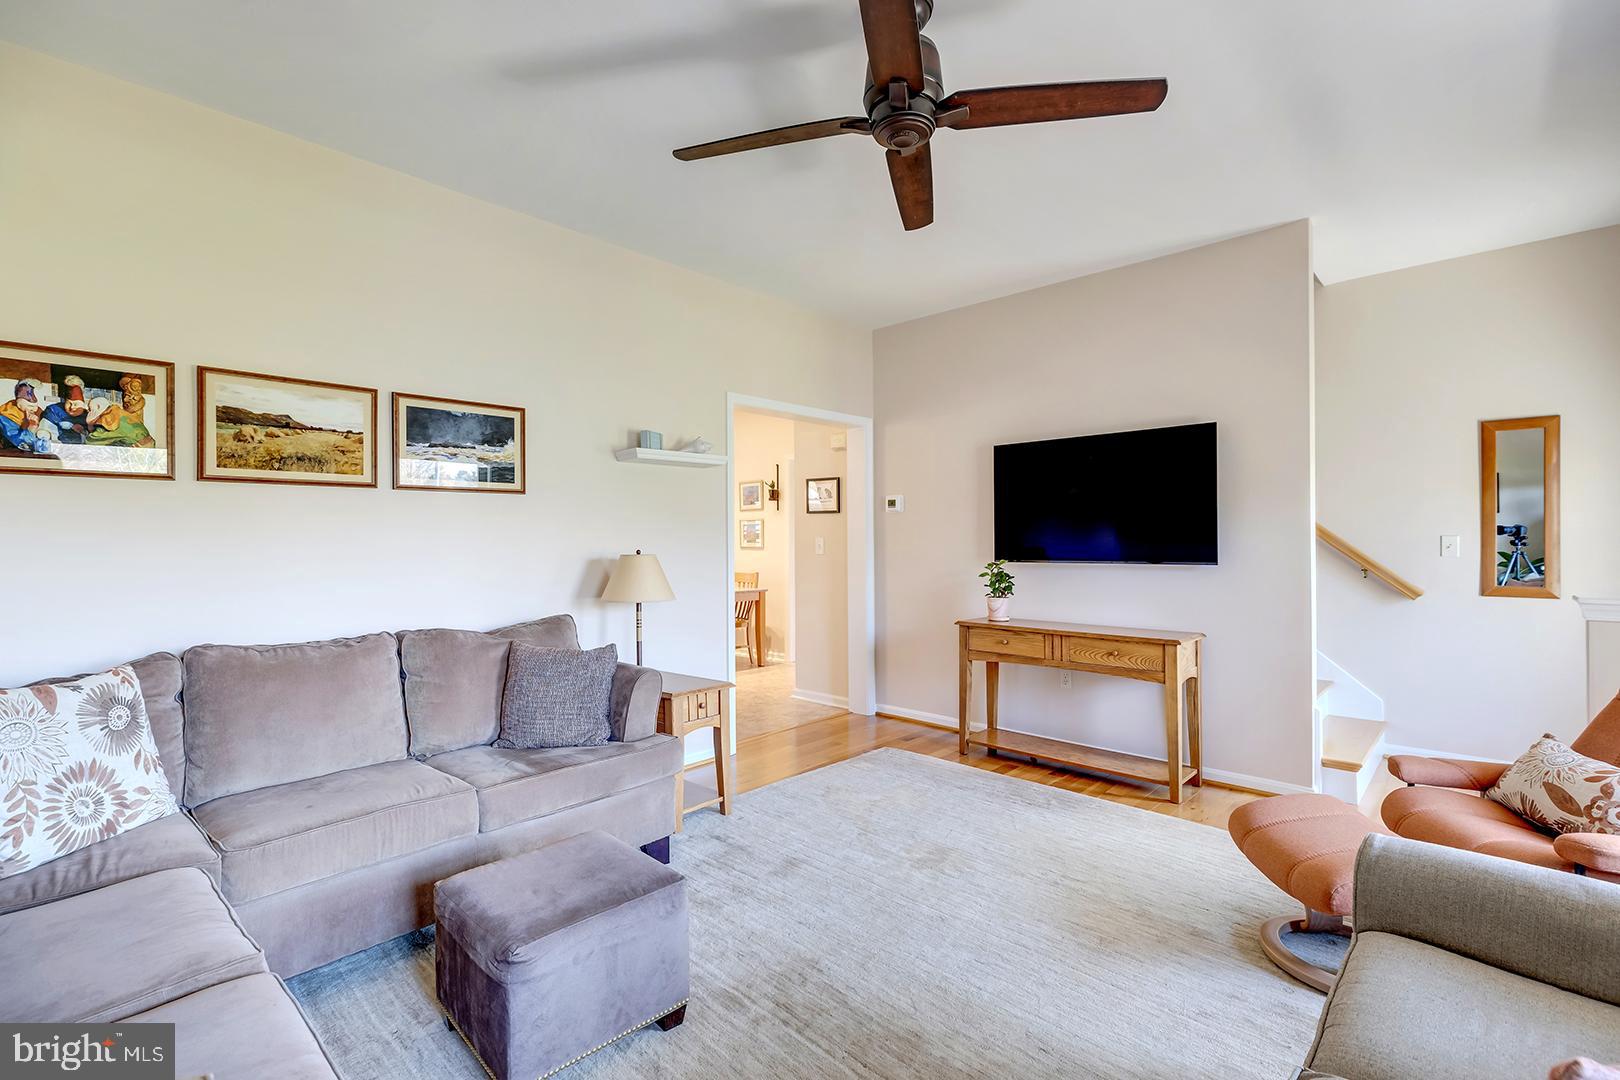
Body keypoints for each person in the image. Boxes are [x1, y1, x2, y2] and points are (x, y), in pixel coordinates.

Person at [0, 379, 51, 454]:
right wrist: (32, 427)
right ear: (19, 404)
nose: (35, 409)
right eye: (30, 406)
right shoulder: (6, 415)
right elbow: (22, 444)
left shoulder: (38, 412)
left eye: (35, 406)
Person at [41, 374, 91, 444]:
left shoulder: (89, 414)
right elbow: (45, 433)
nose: (72, 407)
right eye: (69, 403)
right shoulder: (53, 411)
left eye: (76, 404)